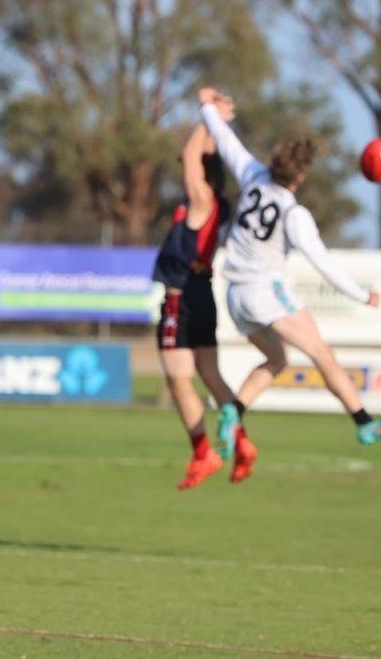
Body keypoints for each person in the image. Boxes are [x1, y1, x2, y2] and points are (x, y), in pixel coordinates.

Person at [197, 86, 381, 448]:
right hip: (263, 291)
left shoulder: (252, 174)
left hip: (234, 296)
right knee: (321, 353)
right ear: (301, 176)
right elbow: (324, 264)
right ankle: (364, 422)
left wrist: (206, 106)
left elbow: (224, 137)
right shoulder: (293, 213)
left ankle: (234, 410)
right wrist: (362, 295)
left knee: (278, 359)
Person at [153, 105, 258, 490]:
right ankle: (242, 443)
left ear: (204, 174)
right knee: (209, 374)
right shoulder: (215, 204)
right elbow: (192, 157)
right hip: (201, 294)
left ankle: (203, 453)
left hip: (181, 298)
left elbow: (190, 156)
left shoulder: (202, 200)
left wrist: (208, 111)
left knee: (179, 379)